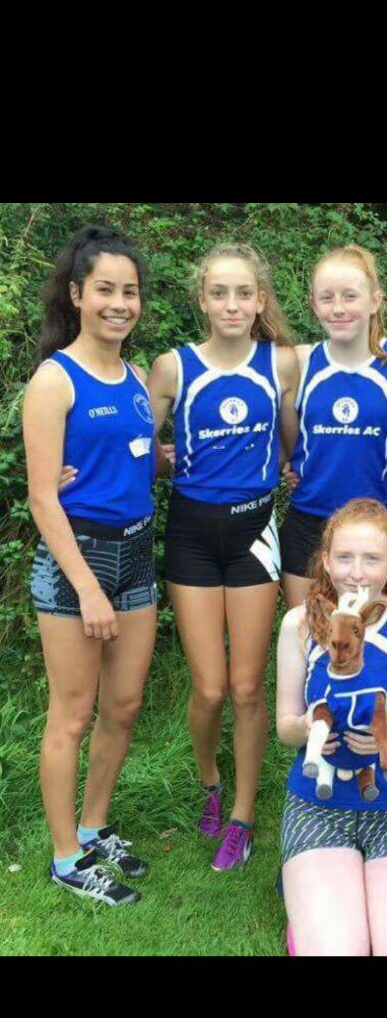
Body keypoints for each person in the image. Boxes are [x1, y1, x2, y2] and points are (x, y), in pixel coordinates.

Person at [148, 244, 299, 871]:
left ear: (260, 300)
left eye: (243, 293)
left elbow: (291, 444)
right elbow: (140, 449)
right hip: (191, 535)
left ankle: (242, 815)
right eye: (219, 293)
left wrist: (286, 469)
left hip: (254, 533)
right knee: (209, 689)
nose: (232, 305)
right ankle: (210, 778)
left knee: (245, 687)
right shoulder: (172, 367)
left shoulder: (281, 362)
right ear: (202, 300)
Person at [24, 226, 158, 906]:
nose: (119, 303)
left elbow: (126, 459)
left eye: (129, 291)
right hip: (79, 562)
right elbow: (41, 497)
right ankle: (65, 858)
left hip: (136, 554)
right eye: (105, 289)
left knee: (124, 705)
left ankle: (94, 825)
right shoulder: (55, 380)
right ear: (77, 294)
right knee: (72, 715)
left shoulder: (135, 376)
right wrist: (86, 588)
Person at [277, 499, 387, 956]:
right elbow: (284, 729)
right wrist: (310, 725)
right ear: (326, 561)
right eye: (345, 557)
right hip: (318, 806)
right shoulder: (298, 624)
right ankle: (313, 901)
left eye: (371, 559)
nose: (357, 573)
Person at [279, 245, 387, 609]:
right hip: (308, 523)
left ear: (375, 300)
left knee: (370, 636)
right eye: (327, 298)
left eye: (350, 296)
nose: (338, 308)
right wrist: (294, 467)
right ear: (314, 304)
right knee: (308, 632)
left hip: (374, 529)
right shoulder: (300, 361)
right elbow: (291, 442)